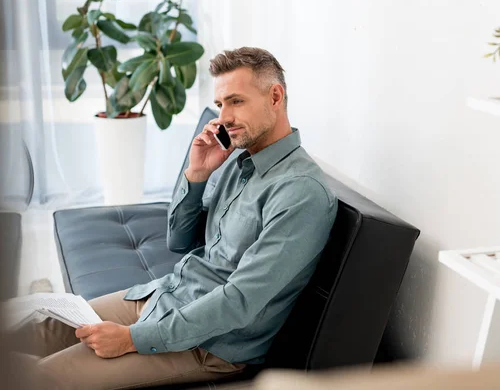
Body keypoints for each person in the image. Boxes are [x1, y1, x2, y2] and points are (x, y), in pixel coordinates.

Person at [4, 47, 338, 389]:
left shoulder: (300, 193)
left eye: (236, 101)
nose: (224, 116)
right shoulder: (237, 162)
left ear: (275, 97)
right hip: (164, 295)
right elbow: (178, 241)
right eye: (221, 104)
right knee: (33, 329)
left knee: (36, 378)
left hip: (207, 344)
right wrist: (196, 174)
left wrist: (132, 338)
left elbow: (240, 302)